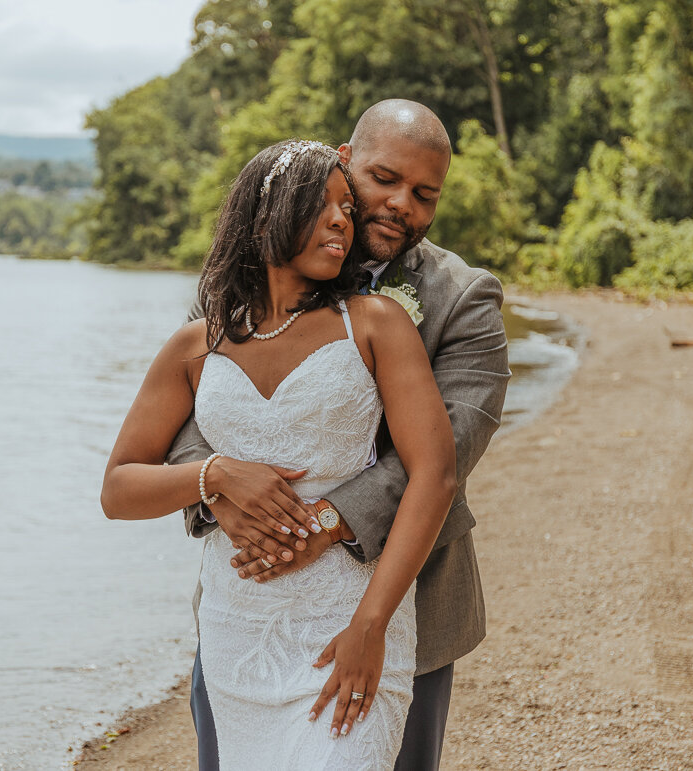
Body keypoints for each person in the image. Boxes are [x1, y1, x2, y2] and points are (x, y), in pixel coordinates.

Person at [171, 100, 511, 770]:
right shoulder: (241, 280)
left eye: (424, 194)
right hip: (252, 605)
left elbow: (446, 453)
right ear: (344, 161)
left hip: (402, 603)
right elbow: (189, 418)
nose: (399, 205)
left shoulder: (463, 299)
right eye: (384, 178)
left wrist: (321, 522)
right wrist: (224, 496)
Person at [102, 138, 458, 768]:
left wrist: (370, 627)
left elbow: (435, 474)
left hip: (348, 626)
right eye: (324, 205)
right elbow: (119, 490)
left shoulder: (375, 324)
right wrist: (217, 475)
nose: (343, 220)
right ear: (268, 214)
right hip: (238, 629)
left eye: (347, 207)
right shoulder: (198, 342)